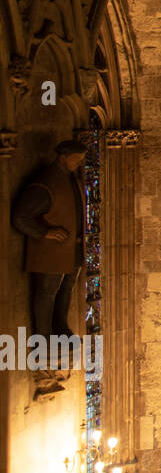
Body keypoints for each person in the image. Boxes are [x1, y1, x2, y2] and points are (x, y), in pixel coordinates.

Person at [11, 140, 87, 348]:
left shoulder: (71, 180)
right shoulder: (46, 183)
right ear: (63, 157)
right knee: (47, 292)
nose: (79, 164)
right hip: (51, 252)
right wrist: (45, 232)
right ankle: (43, 337)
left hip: (72, 249)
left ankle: (61, 328)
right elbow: (21, 217)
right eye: (76, 160)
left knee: (66, 289)